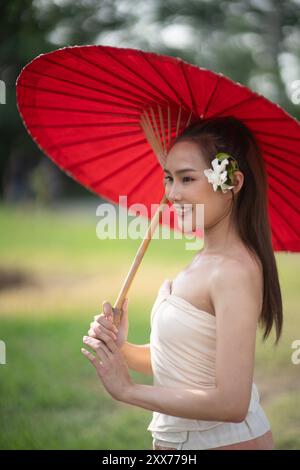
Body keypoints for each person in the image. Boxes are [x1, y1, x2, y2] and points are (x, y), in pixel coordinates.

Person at [81, 116, 282, 450]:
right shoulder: (204, 260)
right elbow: (182, 363)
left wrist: (128, 391)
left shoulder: (234, 272)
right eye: (169, 179)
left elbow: (232, 403)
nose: (172, 194)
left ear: (231, 183)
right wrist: (121, 349)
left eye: (186, 178)